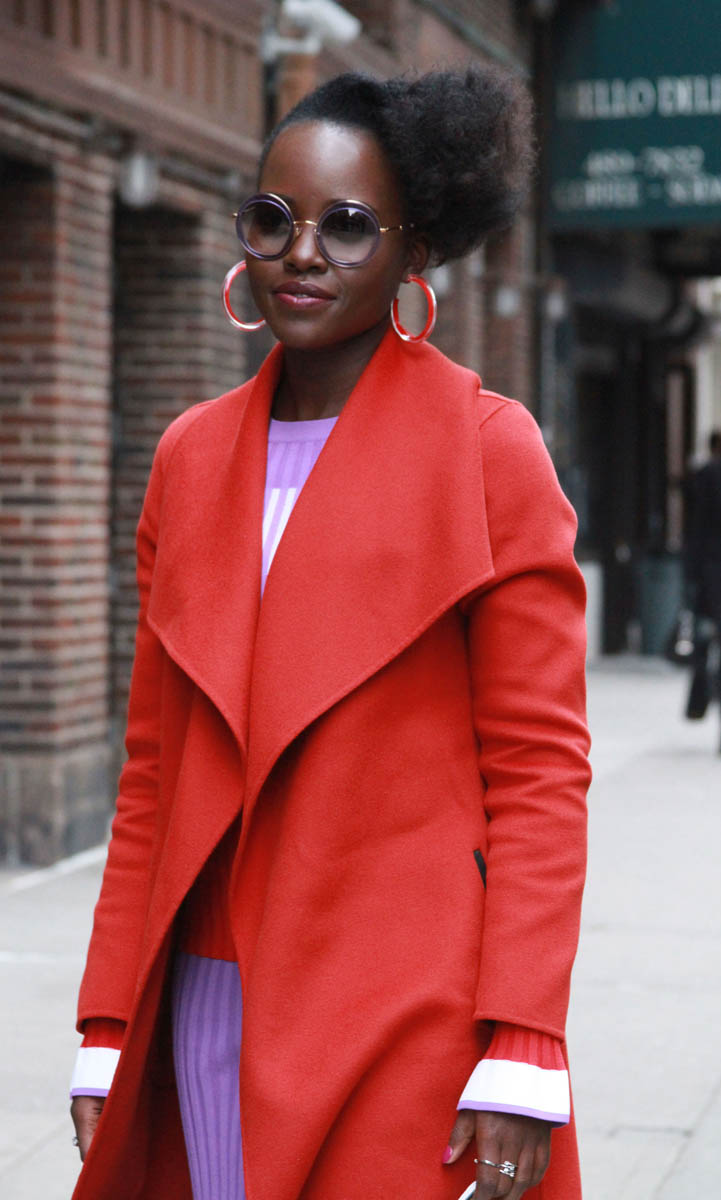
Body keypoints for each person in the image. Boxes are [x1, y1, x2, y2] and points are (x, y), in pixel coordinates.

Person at [69, 68, 591, 1200]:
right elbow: (153, 772)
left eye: (347, 226)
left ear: (414, 254)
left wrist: (523, 1040)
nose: (301, 254)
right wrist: (108, 1019)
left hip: (404, 1002)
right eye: (273, 219)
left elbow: (539, 772)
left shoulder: (486, 451)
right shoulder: (189, 457)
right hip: (204, 989)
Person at [683, 430, 721, 739]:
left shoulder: (706, 475)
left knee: (704, 645)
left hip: (710, 575)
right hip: (710, 572)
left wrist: (691, 576)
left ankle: (700, 702)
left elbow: (695, 527)